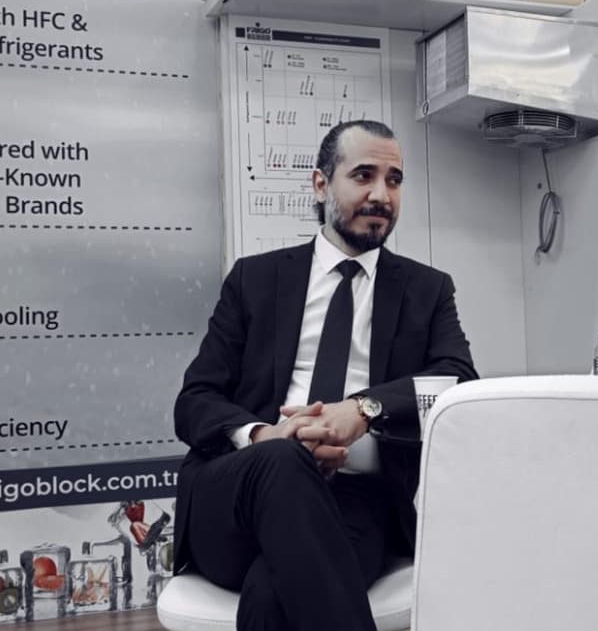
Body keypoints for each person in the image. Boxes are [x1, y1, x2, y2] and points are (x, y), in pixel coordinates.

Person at [173, 119, 478, 631]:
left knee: (273, 596)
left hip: (353, 500)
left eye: (394, 180)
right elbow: (195, 401)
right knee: (283, 460)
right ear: (320, 184)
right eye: (363, 175)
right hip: (238, 494)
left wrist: (364, 409)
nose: (381, 194)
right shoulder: (255, 279)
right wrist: (266, 436)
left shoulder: (427, 290)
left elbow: (458, 380)